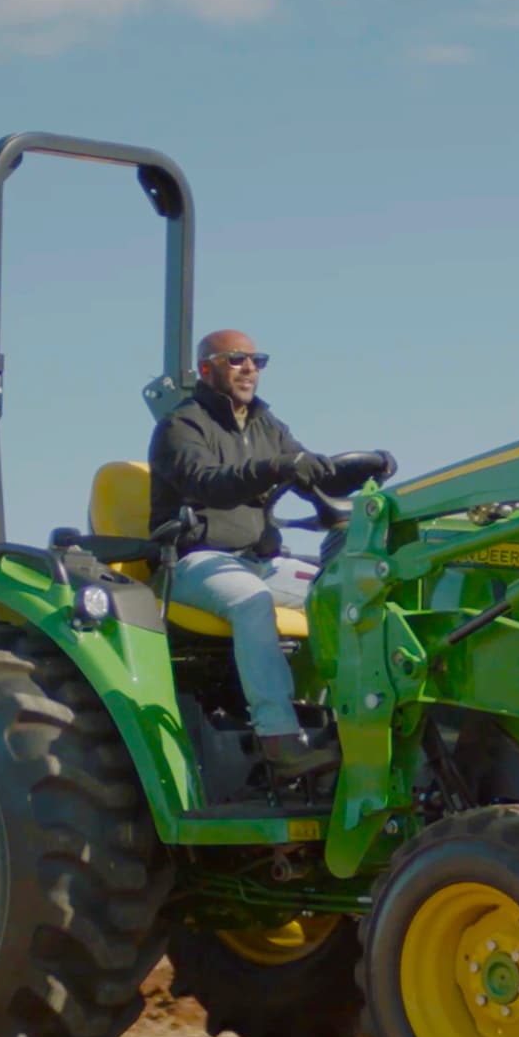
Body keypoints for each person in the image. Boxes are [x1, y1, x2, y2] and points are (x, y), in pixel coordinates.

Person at [147, 329, 347, 780]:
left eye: (257, 360)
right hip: (195, 561)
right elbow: (207, 482)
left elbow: (306, 470)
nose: (250, 369)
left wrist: (355, 471)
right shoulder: (181, 426)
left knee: (343, 592)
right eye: (236, 360)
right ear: (206, 369)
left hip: (262, 559)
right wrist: (273, 468)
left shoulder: (266, 425)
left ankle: (348, 718)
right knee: (251, 600)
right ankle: (279, 739)